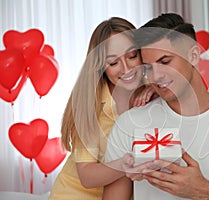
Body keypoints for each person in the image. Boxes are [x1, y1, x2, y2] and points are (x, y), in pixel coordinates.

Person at [103, 13, 209, 200]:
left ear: (193, 55)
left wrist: (207, 192)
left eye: (165, 62)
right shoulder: (129, 125)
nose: (156, 76)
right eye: (148, 68)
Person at [49, 17, 155, 199]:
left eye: (132, 56)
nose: (127, 69)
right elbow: (87, 176)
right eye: (113, 63)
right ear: (101, 67)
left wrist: (155, 88)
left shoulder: (151, 89)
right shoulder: (90, 105)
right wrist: (127, 163)